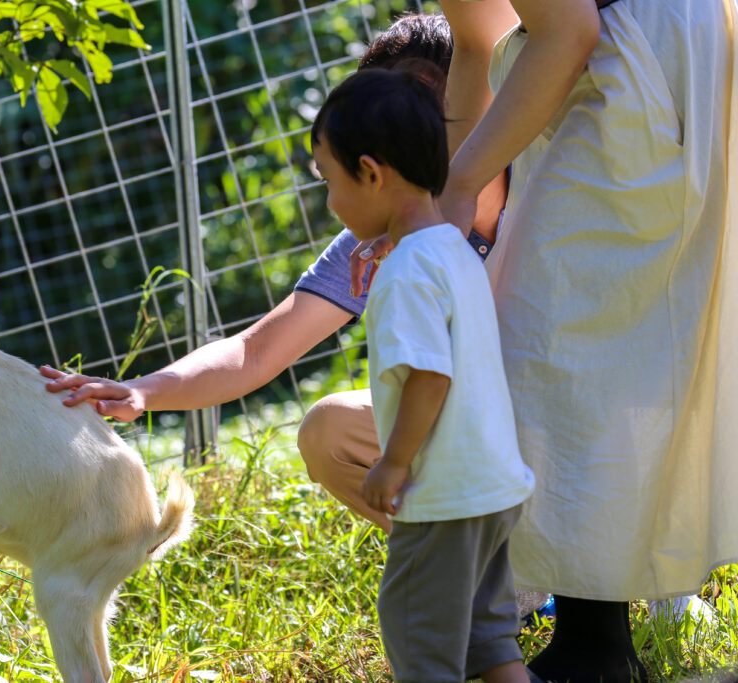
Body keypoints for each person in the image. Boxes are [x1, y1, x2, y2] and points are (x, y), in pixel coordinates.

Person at [40, 11, 514, 534]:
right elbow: (255, 352)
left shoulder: (548, 191)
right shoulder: (378, 243)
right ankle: (480, 568)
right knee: (328, 430)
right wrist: (143, 390)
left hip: (562, 411)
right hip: (485, 428)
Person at [422, 0, 738, 681]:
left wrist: (463, 181)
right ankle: (596, 638)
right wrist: (451, 200)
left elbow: (569, 30)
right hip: (607, 59)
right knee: (567, 344)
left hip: (631, 61)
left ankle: (595, 647)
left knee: (555, 344)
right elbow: (478, 40)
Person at [311, 66, 535, 683]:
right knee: (489, 639)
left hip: (445, 495)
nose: (329, 200)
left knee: (417, 634)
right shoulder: (451, 250)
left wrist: (394, 463)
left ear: (372, 172)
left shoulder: (406, 271)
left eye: (328, 180)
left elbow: (429, 377)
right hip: (494, 486)